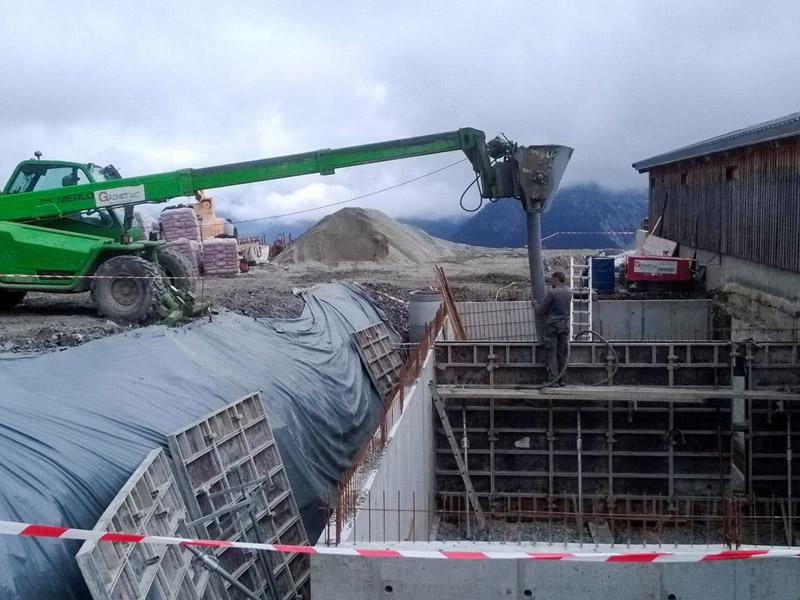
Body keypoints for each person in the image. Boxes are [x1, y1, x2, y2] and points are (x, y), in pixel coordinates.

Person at [535, 271, 572, 386]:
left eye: (552, 279)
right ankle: (563, 379)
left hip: (553, 325)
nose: (550, 281)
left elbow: (541, 311)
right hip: (565, 325)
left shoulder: (552, 293)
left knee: (552, 352)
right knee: (562, 353)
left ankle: (553, 380)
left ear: (557, 278)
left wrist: (534, 304)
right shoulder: (569, 292)